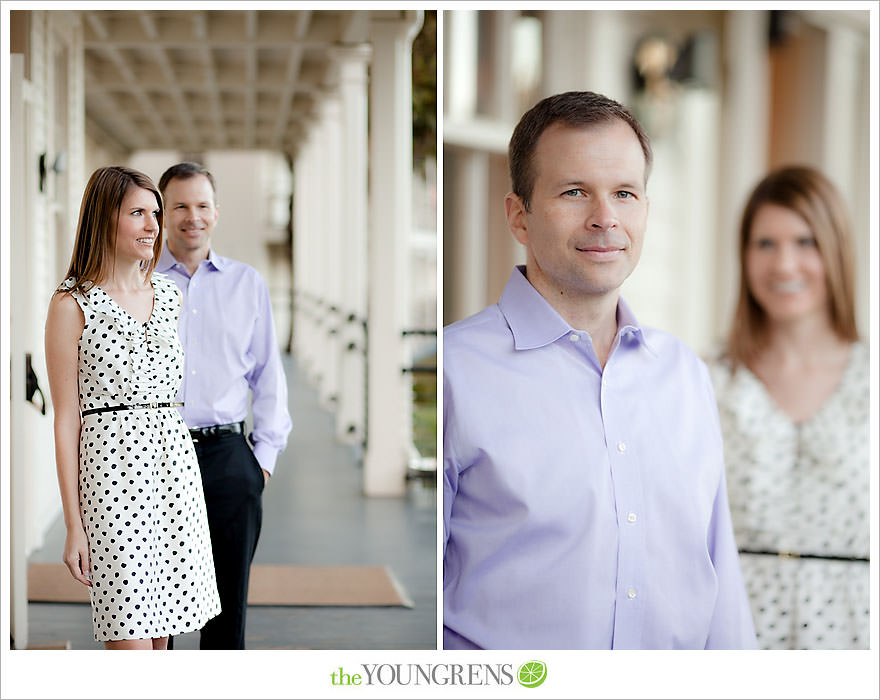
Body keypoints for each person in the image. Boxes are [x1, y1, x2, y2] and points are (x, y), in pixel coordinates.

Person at [443, 91, 756, 650]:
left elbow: (719, 579)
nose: (605, 217)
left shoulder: (685, 375)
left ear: (644, 210)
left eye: (624, 193)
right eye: (574, 192)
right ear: (519, 215)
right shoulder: (457, 372)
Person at [44, 166, 221, 649]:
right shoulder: (71, 304)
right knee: (130, 644)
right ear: (105, 219)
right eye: (138, 213)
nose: (153, 226)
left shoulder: (169, 295)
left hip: (174, 475)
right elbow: (65, 420)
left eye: (155, 214)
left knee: (162, 645)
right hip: (112, 484)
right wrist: (73, 524)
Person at [707, 166, 868, 649]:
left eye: (805, 242)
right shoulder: (708, 381)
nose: (783, 265)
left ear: (834, 250)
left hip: (856, 636)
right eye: (765, 244)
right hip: (736, 632)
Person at [156, 162, 291, 650]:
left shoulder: (247, 284)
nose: (193, 216)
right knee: (155, 607)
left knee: (226, 607)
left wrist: (262, 464)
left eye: (202, 205)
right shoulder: (140, 284)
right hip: (157, 455)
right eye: (180, 206)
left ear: (216, 212)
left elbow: (268, 376)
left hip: (230, 458)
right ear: (163, 213)